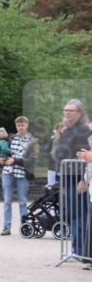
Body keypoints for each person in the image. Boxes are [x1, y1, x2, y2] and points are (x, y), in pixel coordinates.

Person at [52, 99, 92, 257]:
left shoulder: (84, 130)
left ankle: (82, 251)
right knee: (74, 215)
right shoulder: (65, 130)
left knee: (80, 215)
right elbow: (58, 154)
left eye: (71, 110)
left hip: (79, 179)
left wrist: (85, 180)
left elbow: (85, 158)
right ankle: (77, 249)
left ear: (80, 113)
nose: (67, 112)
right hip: (67, 178)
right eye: (65, 110)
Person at [0, 116, 37, 236]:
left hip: (22, 173)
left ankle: (25, 226)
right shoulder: (10, 139)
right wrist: (0, 159)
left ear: (27, 125)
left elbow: (32, 160)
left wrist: (15, 160)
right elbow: (4, 153)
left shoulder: (33, 141)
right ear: (16, 126)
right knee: (7, 201)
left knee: (22, 201)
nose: (20, 127)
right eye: (18, 125)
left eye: (23, 125)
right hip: (8, 172)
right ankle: (6, 226)